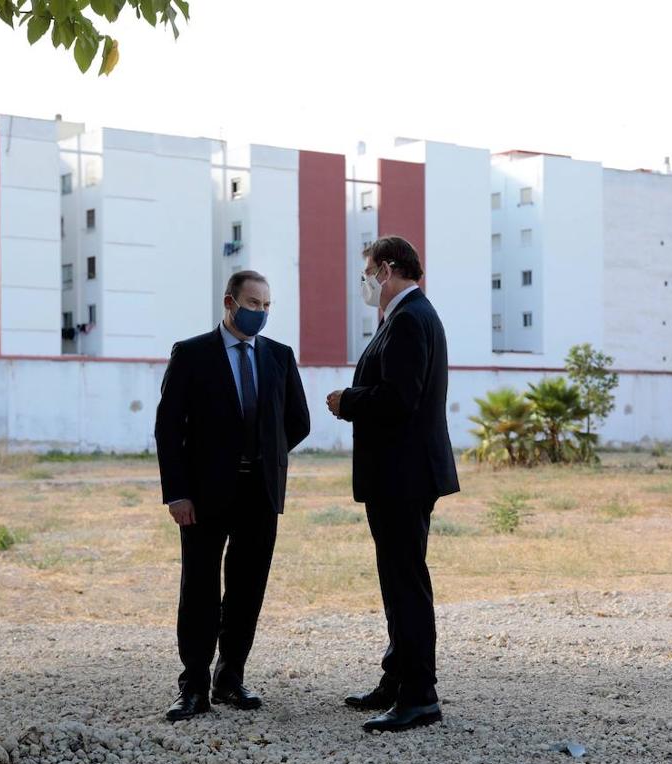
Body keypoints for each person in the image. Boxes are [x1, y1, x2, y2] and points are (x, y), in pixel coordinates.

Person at [154, 269, 311, 722]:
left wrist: (266, 455)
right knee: (200, 587)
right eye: (253, 303)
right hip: (203, 496)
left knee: (247, 589)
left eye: (266, 306)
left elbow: (296, 421)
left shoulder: (279, 357)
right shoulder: (191, 354)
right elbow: (169, 429)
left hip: (259, 493)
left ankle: (231, 677)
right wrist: (178, 492)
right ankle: (194, 686)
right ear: (229, 301)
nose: (260, 312)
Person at [325, 235, 460, 732]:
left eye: (368, 271)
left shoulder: (408, 319)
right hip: (399, 474)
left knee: (405, 584)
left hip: (403, 475)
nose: (365, 282)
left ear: (386, 269)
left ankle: (420, 696)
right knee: (397, 580)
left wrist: (349, 400)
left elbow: (400, 398)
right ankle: (397, 679)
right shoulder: (408, 317)